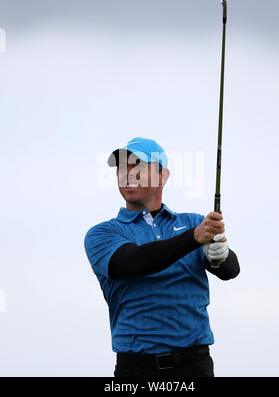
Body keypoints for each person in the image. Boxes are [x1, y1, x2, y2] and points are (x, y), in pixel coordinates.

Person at [84, 137, 240, 377]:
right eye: (122, 168)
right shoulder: (103, 233)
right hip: (135, 370)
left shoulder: (193, 223)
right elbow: (135, 261)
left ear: (162, 176)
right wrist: (194, 238)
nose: (128, 174)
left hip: (194, 366)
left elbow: (231, 271)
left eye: (138, 166)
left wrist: (220, 256)